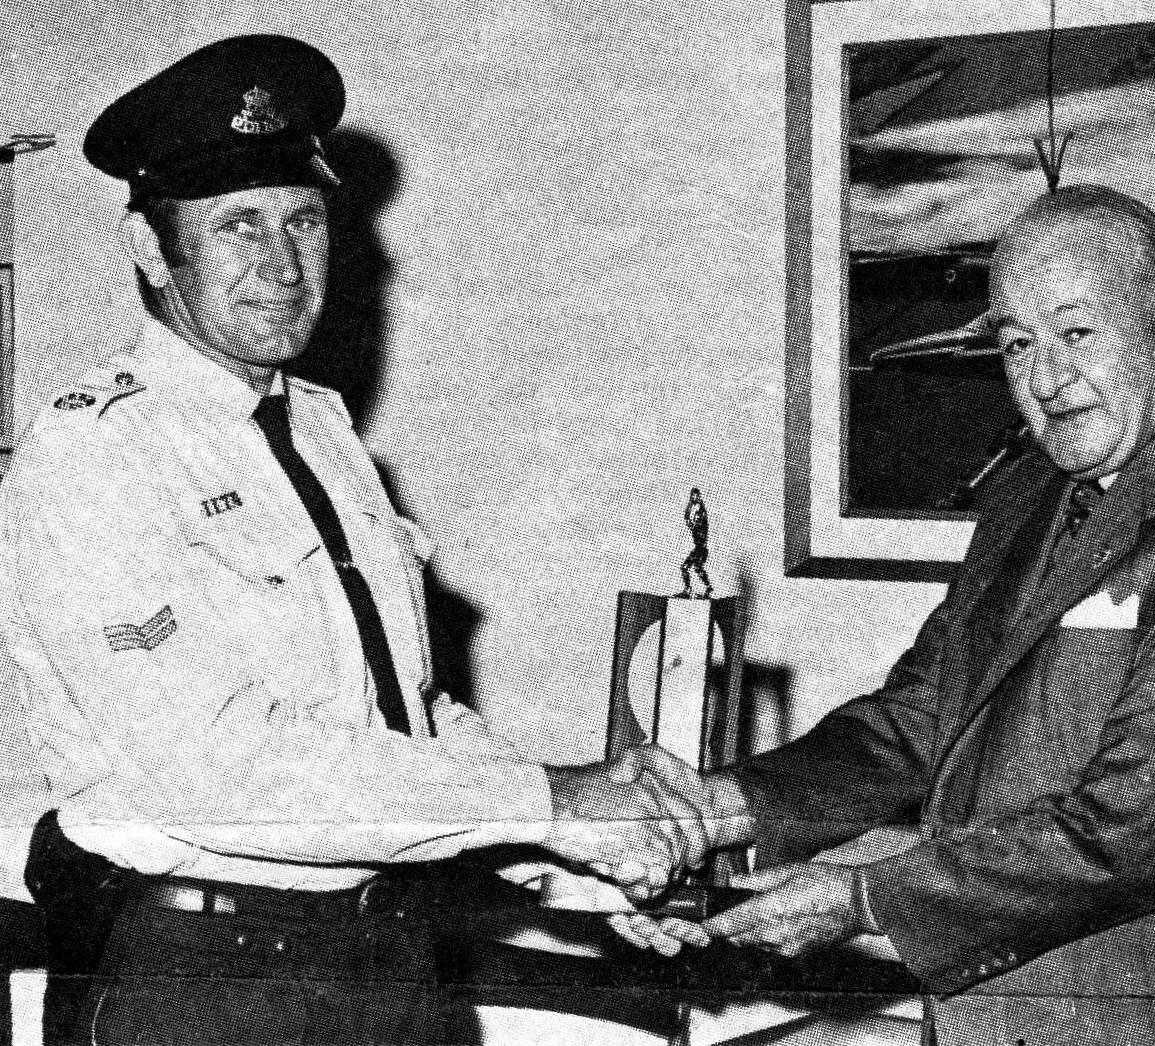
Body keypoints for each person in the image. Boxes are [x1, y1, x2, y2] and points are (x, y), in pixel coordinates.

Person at [0, 35, 701, 1046]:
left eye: (305, 220)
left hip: (386, 957)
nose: (283, 264)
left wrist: (569, 854)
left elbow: (396, 711)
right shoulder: (94, 457)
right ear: (153, 251)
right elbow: (220, 771)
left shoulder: (318, 427)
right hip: (203, 980)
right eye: (238, 225)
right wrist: (550, 802)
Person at [608, 185, 1155, 1044]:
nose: (1045, 380)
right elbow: (917, 721)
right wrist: (725, 810)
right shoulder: (1022, 503)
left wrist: (861, 900)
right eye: (1017, 345)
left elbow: (1141, 825)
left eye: (1077, 333)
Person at [678, 487, 712, 598]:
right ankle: (707, 588)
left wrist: (695, 502)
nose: (695, 518)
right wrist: (690, 504)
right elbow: (688, 519)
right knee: (693, 568)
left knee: (688, 568)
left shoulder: (701, 516)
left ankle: (690, 589)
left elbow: (692, 520)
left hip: (701, 549)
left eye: (694, 495)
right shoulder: (698, 519)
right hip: (699, 548)